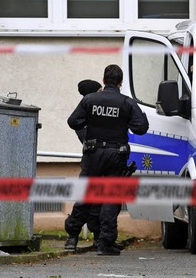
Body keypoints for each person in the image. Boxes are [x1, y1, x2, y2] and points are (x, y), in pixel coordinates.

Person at [65, 64, 149, 256]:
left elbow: (73, 121)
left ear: (103, 80)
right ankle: (105, 243)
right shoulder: (126, 103)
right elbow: (141, 128)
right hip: (115, 155)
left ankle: (72, 237)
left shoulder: (89, 100)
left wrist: (91, 123)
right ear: (120, 82)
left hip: (93, 154)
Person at [64, 79, 103, 252]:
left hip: (100, 160)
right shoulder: (84, 114)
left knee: (99, 202)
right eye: (99, 90)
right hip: (92, 161)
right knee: (85, 200)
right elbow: (86, 136)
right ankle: (72, 236)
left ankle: (97, 238)